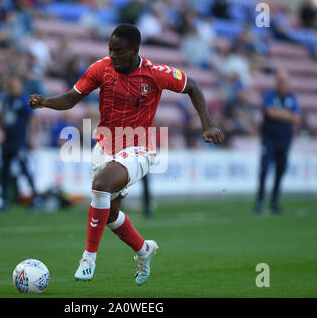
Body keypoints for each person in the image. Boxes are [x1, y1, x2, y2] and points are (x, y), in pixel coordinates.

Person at [28, 24, 224, 285]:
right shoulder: (101, 68)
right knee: (108, 214)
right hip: (106, 145)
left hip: (139, 148)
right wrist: (45, 102)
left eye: (119, 51)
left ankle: (88, 259)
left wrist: (207, 124)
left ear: (135, 50)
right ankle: (144, 250)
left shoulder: (155, 73)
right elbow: (71, 98)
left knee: (101, 186)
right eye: (110, 49)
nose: (113, 55)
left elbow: (194, 87)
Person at [254, 70, 301, 214]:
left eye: (284, 81)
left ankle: (274, 201)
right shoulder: (269, 95)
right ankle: (260, 201)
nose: (282, 84)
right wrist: (287, 114)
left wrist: (278, 113)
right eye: (280, 81)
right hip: (269, 138)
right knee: (264, 168)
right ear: (276, 82)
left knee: (280, 169)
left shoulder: (292, 97)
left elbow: (296, 118)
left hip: (284, 139)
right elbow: (269, 112)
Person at [0, 76, 42, 210]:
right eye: (11, 86)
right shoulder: (5, 100)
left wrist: (32, 137)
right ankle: (4, 200)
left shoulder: (24, 101)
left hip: (20, 141)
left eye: (15, 86)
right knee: (4, 171)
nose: (13, 89)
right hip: (7, 141)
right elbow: (0, 117)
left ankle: (35, 197)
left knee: (24, 169)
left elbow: (33, 119)